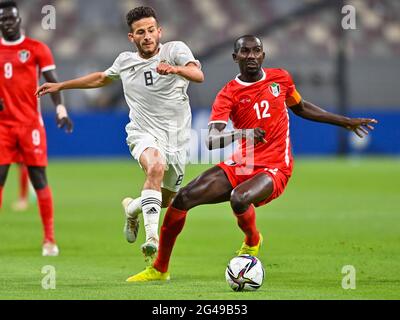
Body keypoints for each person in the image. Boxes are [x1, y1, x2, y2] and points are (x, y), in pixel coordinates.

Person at [126, 35, 378, 281]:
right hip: (242, 162)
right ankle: (159, 269)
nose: (251, 56)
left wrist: (345, 121)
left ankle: (252, 240)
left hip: (276, 165)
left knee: (239, 198)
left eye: (256, 51)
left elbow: (301, 107)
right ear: (235, 57)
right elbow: (212, 140)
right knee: (182, 199)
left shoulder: (281, 79)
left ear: (263, 55)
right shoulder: (229, 93)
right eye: (244, 52)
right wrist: (243, 133)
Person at [36, 6, 204, 261]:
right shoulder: (126, 61)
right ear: (131, 37)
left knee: (166, 199)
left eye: (150, 30)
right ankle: (151, 239)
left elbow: (198, 74)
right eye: (140, 32)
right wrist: (62, 85)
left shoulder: (175, 51)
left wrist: (176, 69)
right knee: (155, 166)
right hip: (143, 132)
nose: (147, 36)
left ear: (159, 31)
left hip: (176, 138)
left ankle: (132, 209)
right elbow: (102, 78)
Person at [0, 0, 73, 256]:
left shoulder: (36, 49)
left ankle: (49, 239)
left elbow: (53, 83)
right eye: (3, 20)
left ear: (19, 19)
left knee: (39, 178)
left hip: (30, 125)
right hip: (2, 128)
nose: (7, 23)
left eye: (11, 18)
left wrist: (61, 110)